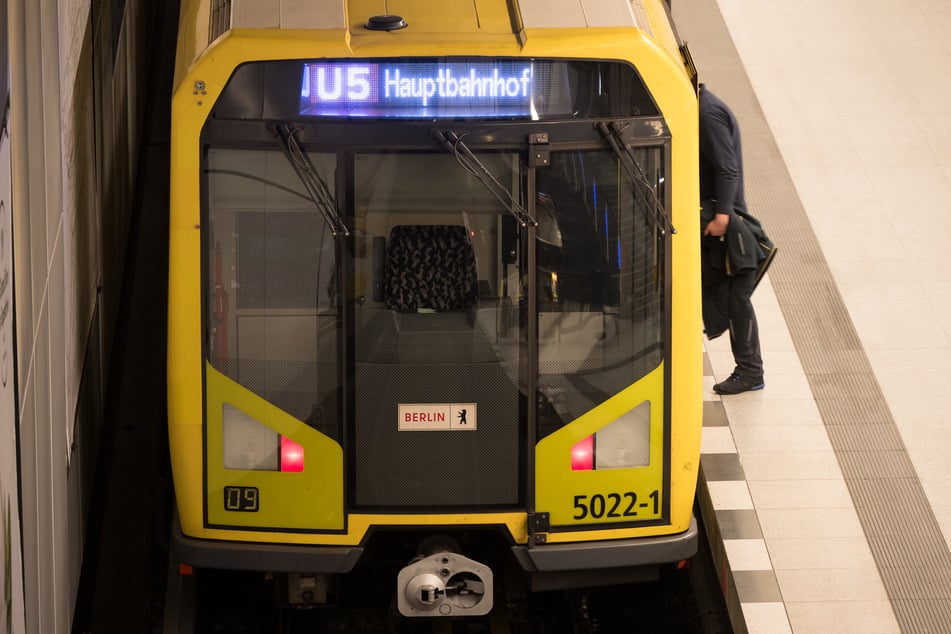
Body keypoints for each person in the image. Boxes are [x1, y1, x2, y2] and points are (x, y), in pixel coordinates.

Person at [699, 84, 765, 395]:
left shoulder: (707, 112)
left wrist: (722, 217)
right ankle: (749, 369)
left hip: (731, 228)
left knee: (737, 300)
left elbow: (728, 169)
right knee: (731, 298)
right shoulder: (704, 106)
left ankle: (750, 371)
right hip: (725, 222)